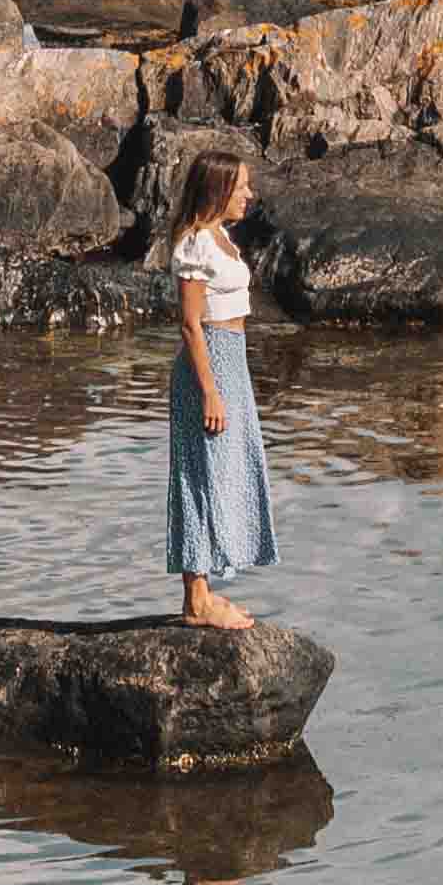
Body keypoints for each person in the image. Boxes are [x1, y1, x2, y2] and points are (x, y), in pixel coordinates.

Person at [167, 143, 276, 630]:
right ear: (219, 189)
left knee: (227, 472)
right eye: (242, 186)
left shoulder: (221, 238)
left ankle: (206, 592)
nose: (249, 194)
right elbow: (191, 324)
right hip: (208, 365)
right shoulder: (195, 243)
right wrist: (210, 390)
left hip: (232, 363)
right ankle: (196, 600)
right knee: (199, 475)